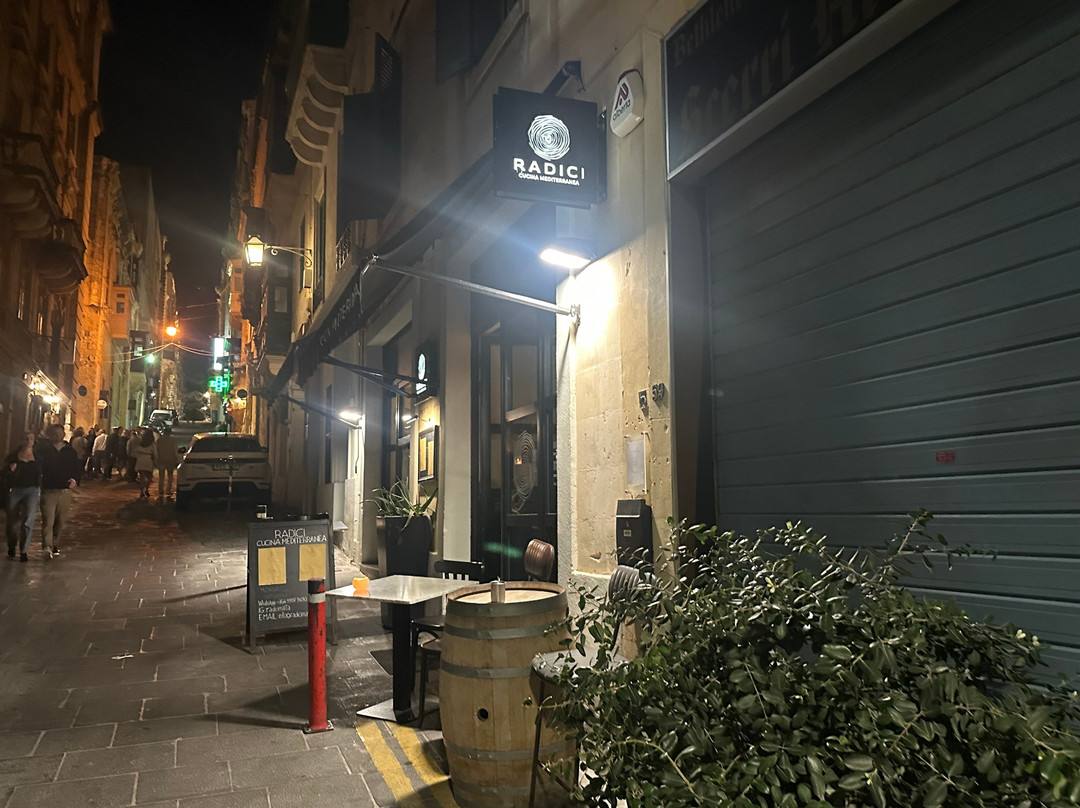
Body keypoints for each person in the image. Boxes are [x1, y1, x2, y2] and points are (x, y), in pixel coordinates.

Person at [38, 423, 81, 558]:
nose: (57, 435)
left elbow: (76, 468)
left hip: (64, 490)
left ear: (64, 434)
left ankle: (54, 542)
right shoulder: (45, 451)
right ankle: (47, 546)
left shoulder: (70, 452)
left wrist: (75, 479)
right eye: (55, 432)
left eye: (60, 432)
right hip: (48, 489)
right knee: (48, 520)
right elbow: (38, 466)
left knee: (60, 521)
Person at [5, 432, 41, 562]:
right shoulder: (13, 456)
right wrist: (10, 470)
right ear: (21, 440)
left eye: (31, 438)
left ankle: (24, 550)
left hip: (32, 490)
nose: (28, 441)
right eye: (26, 438)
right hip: (16, 489)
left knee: (28, 519)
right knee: (11, 521)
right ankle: (11, 545)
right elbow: (4, 472)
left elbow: (43, 471)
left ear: (34, 441)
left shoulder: (38, 456)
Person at [155, 426, 181, 500]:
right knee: (170, 475)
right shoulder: (172, 441)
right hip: (170, 460)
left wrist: (156, 460)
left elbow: (156, 451)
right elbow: (175, 451)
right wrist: (178, 460)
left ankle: (161, 490)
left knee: (161, 476)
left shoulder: (159, 440)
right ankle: (168, 490)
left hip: (161, 460)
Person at [133, 428, 157, 498]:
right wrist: (156, 461)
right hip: (148, 460)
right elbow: (155, 454)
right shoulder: (152, 444)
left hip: (141, 460)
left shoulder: (140, 443)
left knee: (142, 477)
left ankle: (141, 492)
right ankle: (146, 489)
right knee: (149, 477)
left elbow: (136, 452)